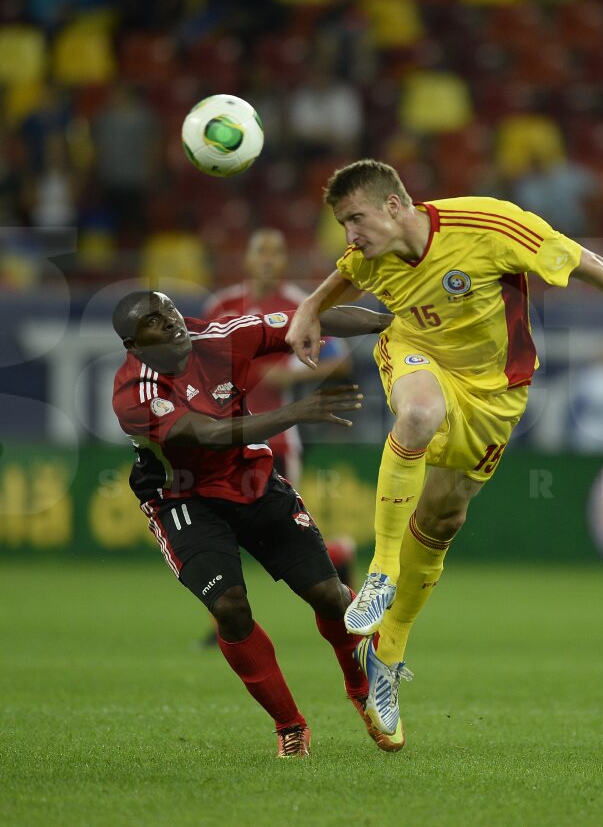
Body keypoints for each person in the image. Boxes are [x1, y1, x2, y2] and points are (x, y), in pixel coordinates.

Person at [286, 159, 603, 740]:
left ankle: (386, 655)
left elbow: (588, 264)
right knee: (416, 414)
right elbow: (344, 274)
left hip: (496, 394)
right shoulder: (371, 253)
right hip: (416, 355)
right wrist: (309, 309)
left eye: (354, 219)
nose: (349, 235)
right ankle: (381, 570)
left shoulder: (488, 225)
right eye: (342, 224)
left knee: (443, 516)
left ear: (393, 205)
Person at [110, 290, 403, 757]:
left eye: (168, 308)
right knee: (230, 607)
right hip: (182, 500)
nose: (169, 320)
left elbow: (315, 318)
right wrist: (292, 414)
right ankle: (290, 724)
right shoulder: (135, 391)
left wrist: (394, 320)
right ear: (134, 345)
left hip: (252, 479)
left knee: (330, 595)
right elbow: (205, 434)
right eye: (152, 320)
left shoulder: (224, 337)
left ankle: (361, 686)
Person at [204, 228, 357, 591]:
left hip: (278, 441)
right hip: (225, 438)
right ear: (247, 259)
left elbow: (340, 359)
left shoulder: (298, 305)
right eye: (262, 251)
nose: (269, 259)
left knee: (288, 533)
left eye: (276, 252)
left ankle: (338, 557)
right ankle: (223, 620)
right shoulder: (222, 306)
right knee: (216, 526)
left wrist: (289, 375)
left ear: (285, 261)